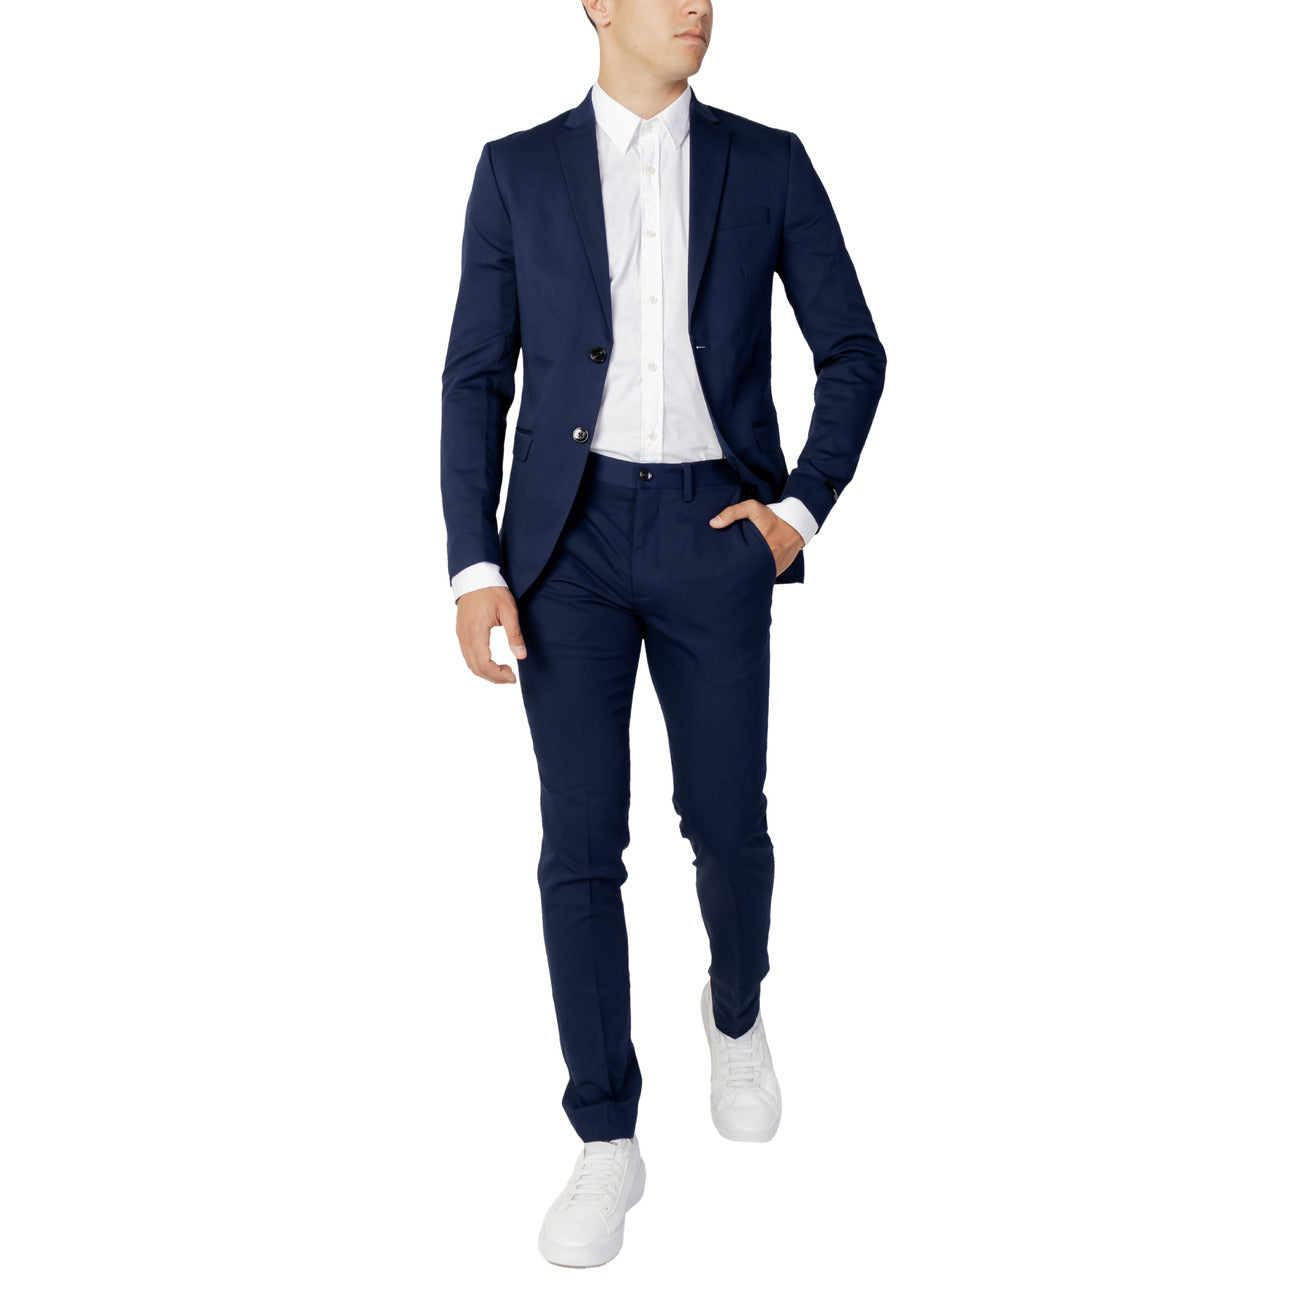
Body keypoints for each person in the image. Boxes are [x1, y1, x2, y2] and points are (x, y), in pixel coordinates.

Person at [440, 0, 886, 1268]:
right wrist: (474, 563)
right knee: (579, 843)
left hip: (714, 529)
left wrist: (795, 512)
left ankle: (734, 1009)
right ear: (596, 4)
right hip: (564, 546)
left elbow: (853, 350)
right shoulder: (515, 171)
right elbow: (476, 378)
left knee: (727, 822)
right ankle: (605, 1133)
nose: (697, 5)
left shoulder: (768, 162)